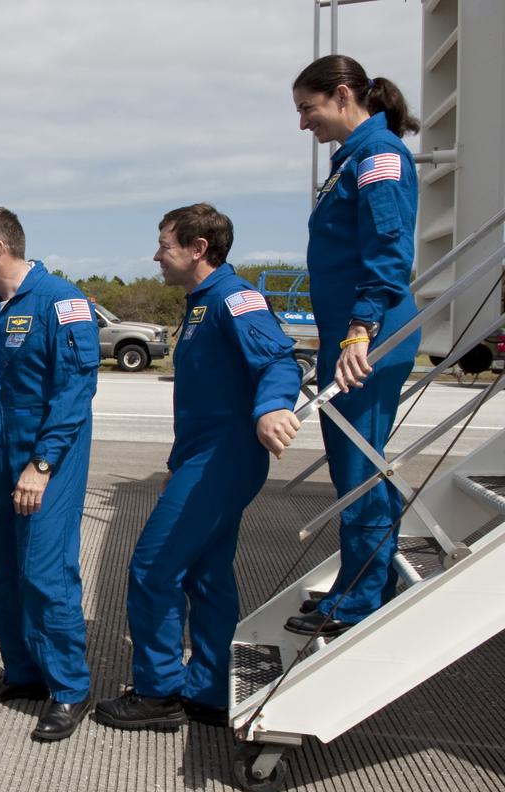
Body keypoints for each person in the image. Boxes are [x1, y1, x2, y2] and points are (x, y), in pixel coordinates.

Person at [92, 204, 301, 730]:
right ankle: (207, 689)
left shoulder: (235, 297)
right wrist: (176, 463)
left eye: (165, 245)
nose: (157, 255)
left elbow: (278, 359)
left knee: (153, 569)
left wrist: (274, 405)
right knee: (206, 576)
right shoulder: (202, 302)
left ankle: (159, 691)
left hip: (224, 460)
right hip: (201, 458)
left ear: (198, 248)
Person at [283, 55, 422, 638]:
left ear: (343, 95)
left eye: (307, 110)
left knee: (359, 470)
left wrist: (361, 328)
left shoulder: (379, 157)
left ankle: (363, 597)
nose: (302, 124)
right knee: (350, 470)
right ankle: (355, 583)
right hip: (355, 336)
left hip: (371, 336)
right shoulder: (354, 160)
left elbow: (387, 250)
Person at [0, 207, 99, 742]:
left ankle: (68, 687)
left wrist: (41, 464)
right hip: (0, 454)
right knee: (6, 570)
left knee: (45, 571)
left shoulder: (60, 300)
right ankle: (23, 673)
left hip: (47, 457)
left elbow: (75, 390)